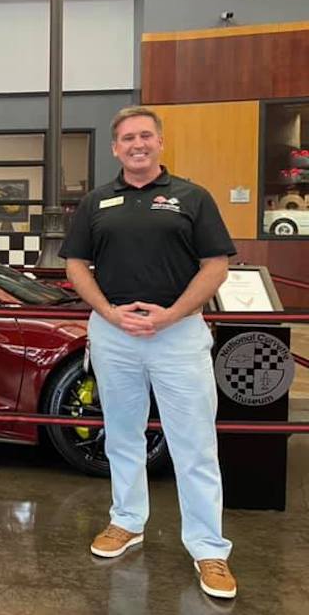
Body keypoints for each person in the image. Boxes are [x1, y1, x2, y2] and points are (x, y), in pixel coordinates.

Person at [60, 106, 237, 599]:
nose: (137, 144)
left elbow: (216, 266)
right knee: (121, 435)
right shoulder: (97, 202)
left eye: (145, 136)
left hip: (177, 334)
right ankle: (127, 521)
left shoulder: (191, 198)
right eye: (127, 138)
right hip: (115, 332)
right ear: (115, 148)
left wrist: (172, 314)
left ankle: (209, 549)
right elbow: (76, 265)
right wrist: (110, 314)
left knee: (194, 444)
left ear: (160, 142)